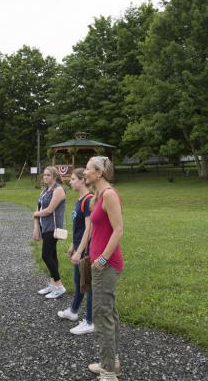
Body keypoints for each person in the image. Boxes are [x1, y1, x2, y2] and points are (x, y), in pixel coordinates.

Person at [85, 156, 124, 380]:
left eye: (88, 169)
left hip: (106, 265)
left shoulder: (109, 194)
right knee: (108, 313)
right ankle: (112, 362)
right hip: (99, 263)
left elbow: (118, 230)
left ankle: (108, 373)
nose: (85, 173)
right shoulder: (99, 195)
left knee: (102, 315)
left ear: (99, 173)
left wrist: (101, 259)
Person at [57, 167, 95, 335]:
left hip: (87, 250)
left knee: (88, 284)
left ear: (83, 180)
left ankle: (90, 320)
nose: (70, 182)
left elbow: (89, 229)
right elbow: (78, 228)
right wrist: (73, 245)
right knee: (78, 281)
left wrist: (80, 251)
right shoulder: (79, 200)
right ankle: (73, 312)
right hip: (79, 246)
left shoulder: (88, 200)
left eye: (73, 179)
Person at [32, 166, 67, 299]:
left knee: (46, 256)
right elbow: (39, 207)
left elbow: (49, 210)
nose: (45, 177)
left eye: (48, 175)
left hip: (53, 227)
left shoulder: (58, 190)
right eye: (44, 175)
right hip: (44, 226)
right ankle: (53, 284)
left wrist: (35, 214)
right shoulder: (45, 190)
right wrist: (36, 224)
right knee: (52, 255)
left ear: (54, 176)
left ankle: (59, 286)